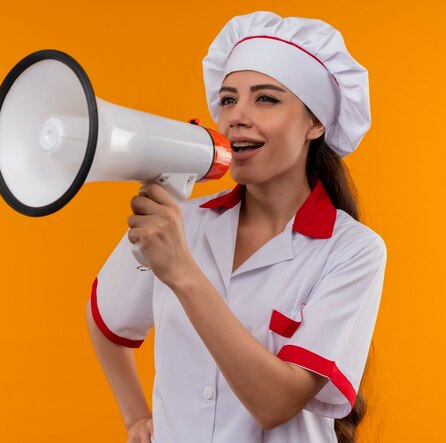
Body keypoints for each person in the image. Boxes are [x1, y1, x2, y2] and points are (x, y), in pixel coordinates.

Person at [86, 11, 387, 443]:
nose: (236, 117)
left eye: (266, 99)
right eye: (228, 99)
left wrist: (182, 272)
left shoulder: (353, 250)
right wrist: (136, 417)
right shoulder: (180, 219)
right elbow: (105, 318)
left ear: (315, 123)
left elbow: (275, 403)